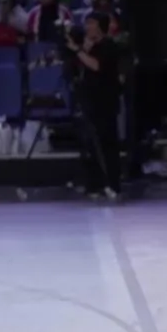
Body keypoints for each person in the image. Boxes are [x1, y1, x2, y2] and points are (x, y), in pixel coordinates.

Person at [66, 11, 122, 198]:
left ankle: (112, 183)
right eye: (87, 23)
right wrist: (80, 49)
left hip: (105, 102)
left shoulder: (109, 46)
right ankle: (94, 184)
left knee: (106, 144)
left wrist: (78, 51)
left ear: (100, 27)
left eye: (91, 23)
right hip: (89, 101)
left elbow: (96, 65)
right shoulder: (89, 46)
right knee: (89, 145)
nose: (87, 27)